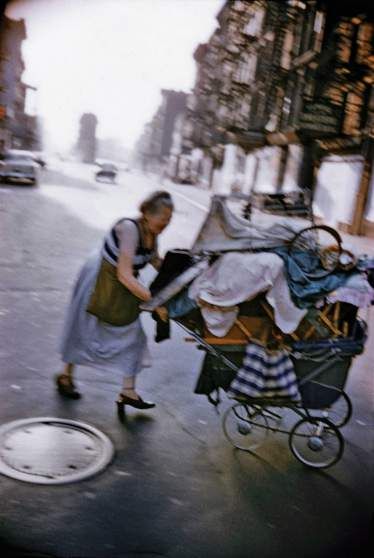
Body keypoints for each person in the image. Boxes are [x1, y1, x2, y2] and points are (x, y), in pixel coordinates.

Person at [56, 190, 174, 412]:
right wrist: (154, 303)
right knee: (83, 329)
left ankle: (128, 392)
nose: (166, 224)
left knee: (133, 334)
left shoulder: (152, 233)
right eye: (163, 219)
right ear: (148, 213)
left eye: (169, 220)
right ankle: (65, 375)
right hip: (99, 279)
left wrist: (177, 278)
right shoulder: (129, 229)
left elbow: (154, 259)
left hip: (123, 283)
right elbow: (124, 274)